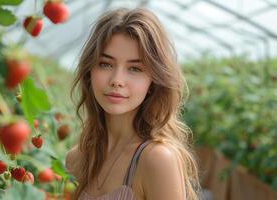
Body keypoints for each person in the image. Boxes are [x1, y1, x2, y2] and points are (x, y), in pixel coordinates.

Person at [65, 7, 200, 200]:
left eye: (135, 68)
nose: (117, 80)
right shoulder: (76, 159)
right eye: (106, 64)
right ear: (90, 72)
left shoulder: (157, 159)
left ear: (153, 81)